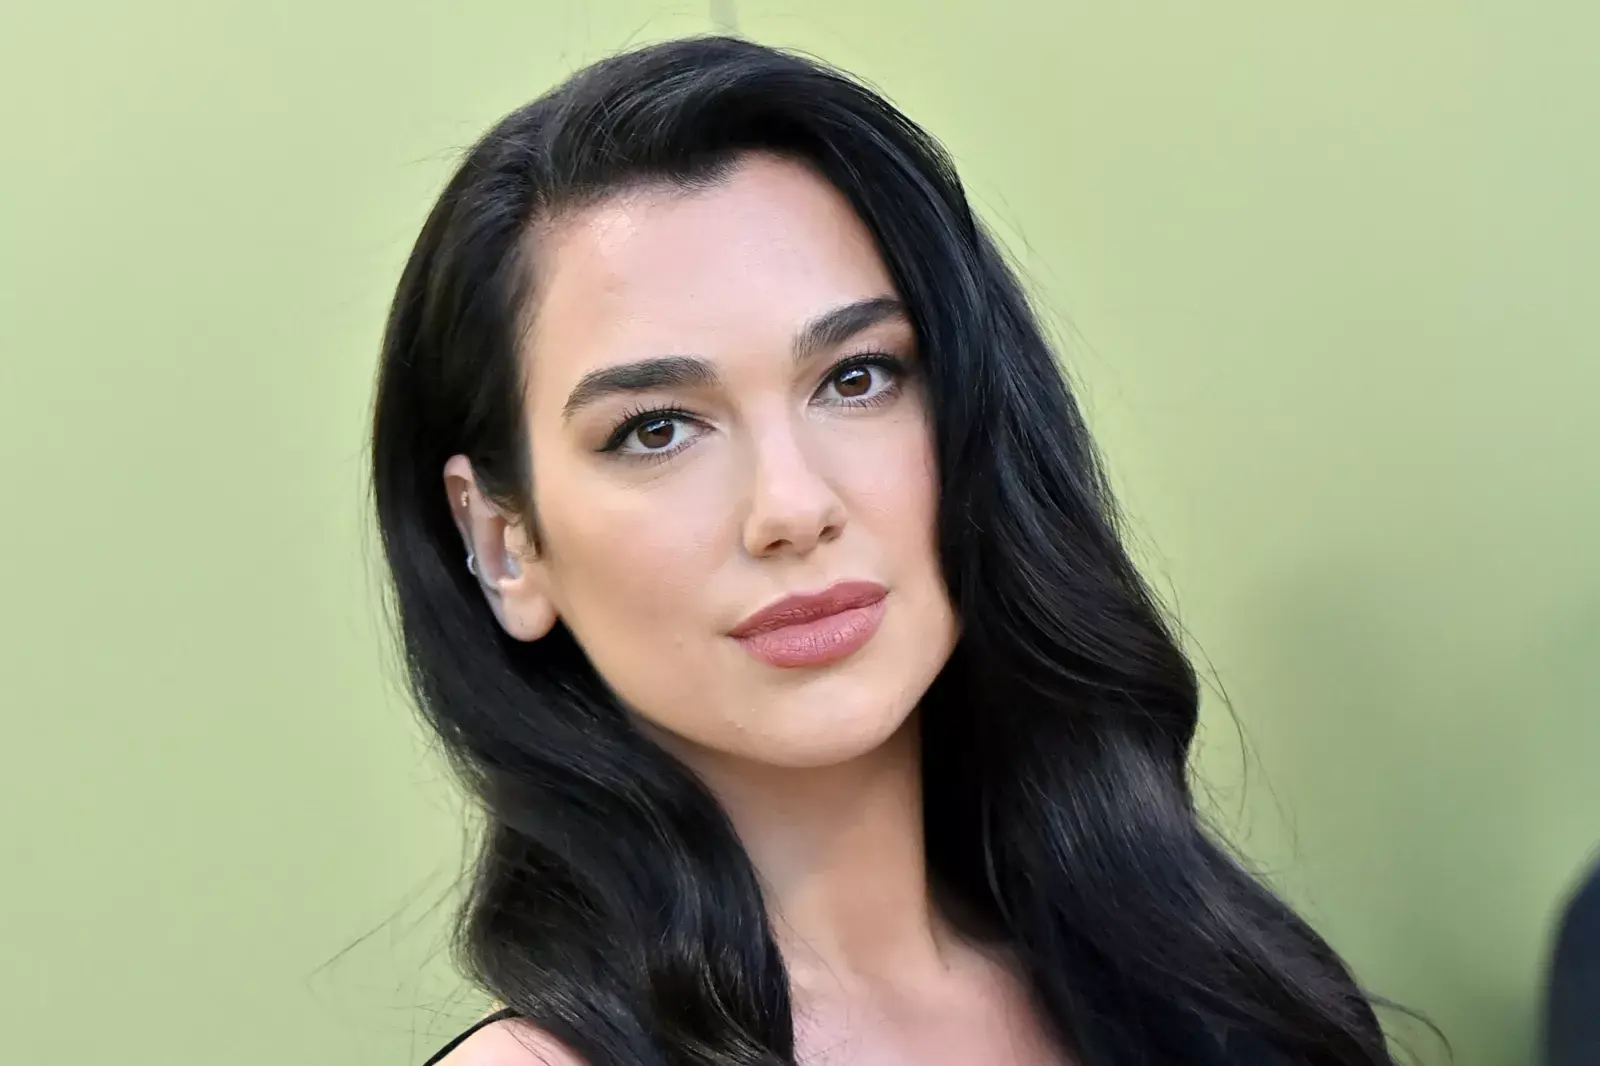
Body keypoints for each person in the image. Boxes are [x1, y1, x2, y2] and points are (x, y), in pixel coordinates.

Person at [369, 34, 1399, 1066]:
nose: (792, 506)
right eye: (656, 429)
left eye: (856, 378)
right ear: (505, 541)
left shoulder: (1201, 985)